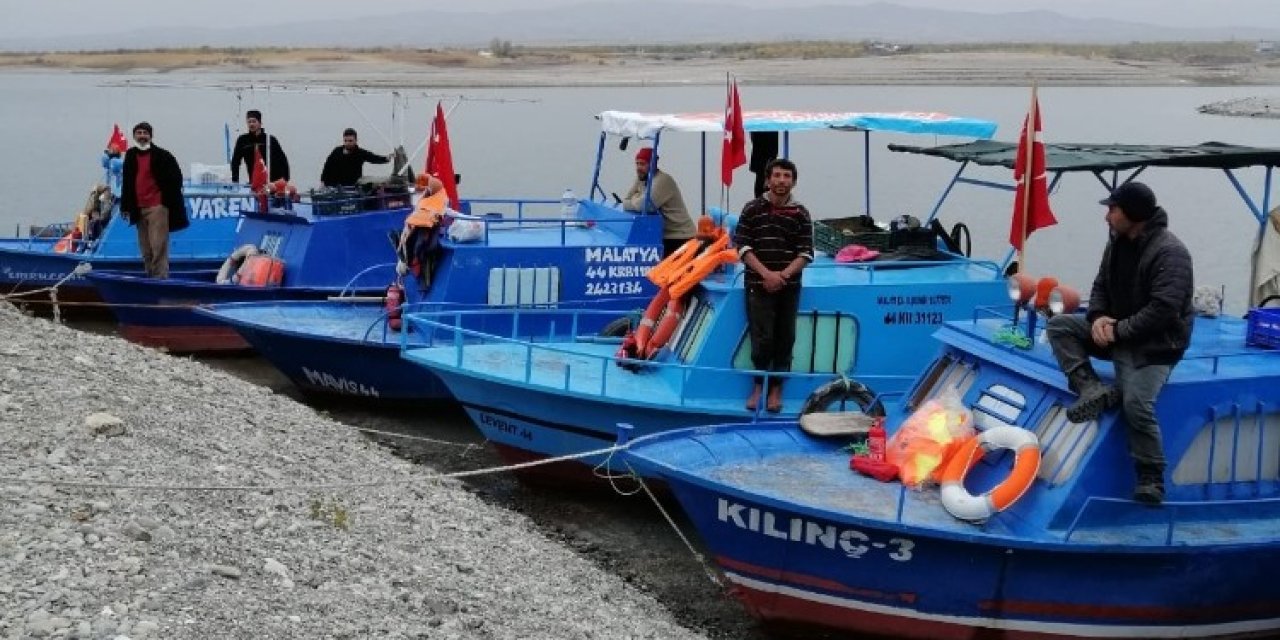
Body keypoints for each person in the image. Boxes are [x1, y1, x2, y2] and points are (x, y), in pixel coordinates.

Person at [1045, 181, 1194, 506]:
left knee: (1137, 405)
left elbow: (1164, 310)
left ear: (1134, 214)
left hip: (1155, 347)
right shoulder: (1117, 244)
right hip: (1115, 332)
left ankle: (1151, 477)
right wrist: (1098, 317)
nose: (1106, 216)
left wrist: (1118, 331)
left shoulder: (1171, 253)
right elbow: (1100, 285)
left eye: (1112, 209)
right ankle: (1090, 387)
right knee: (1059, 326)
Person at [732, 158, 813, 413]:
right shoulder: (752, 209)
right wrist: (766, 274)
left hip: (789, 287)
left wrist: (782, 277)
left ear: (793, 181)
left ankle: (776, 388)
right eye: (777, 175)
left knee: (785, 337)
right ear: (768, 180)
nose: (781, 181)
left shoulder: (800, 213)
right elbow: (743, 246)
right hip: (758, 284)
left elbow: (806, 253)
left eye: (787, 176)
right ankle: (758, 385)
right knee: (762, 337)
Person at [120, 122, 188, 279]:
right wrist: (125, 206)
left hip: (157, 207)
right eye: (139, 133)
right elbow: (127, 182)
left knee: (159, 246)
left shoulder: (163, 155)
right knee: (145, 248)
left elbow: (176, 177)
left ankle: (160, 278)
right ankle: (150, 275)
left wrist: (165, 200)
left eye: (145, 133)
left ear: (150, 136)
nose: (142, 136)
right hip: (138, 208)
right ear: (134, 136)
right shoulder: (130, 155)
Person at [622, 147, 695, 257]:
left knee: (649, 259)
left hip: (679, 236)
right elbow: (625, 201)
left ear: (652, 165)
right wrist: (637, 200)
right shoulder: (642, 178)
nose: (638, 168)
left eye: (642, 164)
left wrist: (637, 199)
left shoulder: (663, 180)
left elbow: (645, 205)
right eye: (637, 164)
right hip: (663, 234)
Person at [230, 109, 290, 183]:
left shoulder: (270, 139)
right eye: (249, 122)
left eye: (254, 121)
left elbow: (283, 160)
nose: (251, 124)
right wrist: (235, 181)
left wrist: (285, 179)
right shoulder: (242, 140)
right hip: (255, 181)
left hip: (273, 182)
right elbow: (235, 162)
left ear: (260, 123)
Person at [320, 128, 393, 187]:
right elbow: (327, 166)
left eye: (350, 141)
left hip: (353, 184)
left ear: (356, 140)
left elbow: (373, 158)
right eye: (345, 141)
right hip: (335, 185)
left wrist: (386, 159)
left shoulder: (360, 153)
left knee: (372, 182)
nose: (347, 143)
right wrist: (323, 181)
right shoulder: (337, 151)